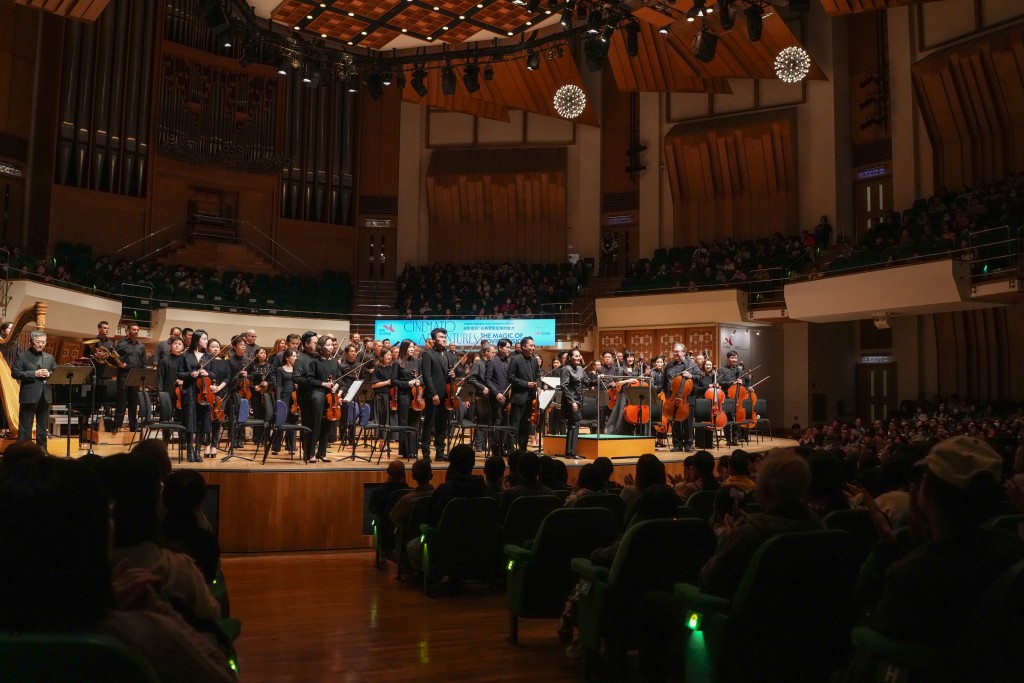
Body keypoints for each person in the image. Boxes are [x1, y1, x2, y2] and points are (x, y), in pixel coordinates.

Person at [0, 457, 234, 682]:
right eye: (107, 514)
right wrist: (157, 607)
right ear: (93, 534)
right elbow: (222, 675)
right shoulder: (141, 632)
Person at [699, 448, 825, 599]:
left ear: (764, 489)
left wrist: (727, 540)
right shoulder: (820, 527)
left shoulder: (751, 533)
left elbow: (708, 581)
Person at [161, 469, 220, 584]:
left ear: (164, 498)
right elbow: (210, 579)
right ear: (201, 501)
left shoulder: (153, 537)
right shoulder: (207, 542)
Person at [12, 329, 57, 451]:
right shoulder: (22, 356)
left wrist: (50, 373)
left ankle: (42, 450)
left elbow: (56, 372)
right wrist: (34, 373)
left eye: (43, 342)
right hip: (29, 395)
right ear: (31, 341)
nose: (41, 344)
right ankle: (23, 451)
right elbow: (15, 373)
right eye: (38, 342)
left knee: (43, 426)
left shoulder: (50, 357)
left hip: (45, 395)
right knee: (26, 426)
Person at [419, 328, 458, 461]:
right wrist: (433, 393)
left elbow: (449, 374)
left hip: (446, 395)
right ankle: (425, 454)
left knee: (442, 424)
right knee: (429, 424)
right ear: (434, 339)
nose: (444, 339)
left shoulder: (449, 355)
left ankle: (440, 453)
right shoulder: (427, 354)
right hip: (433, 395)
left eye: (445, 337)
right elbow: (427, 376)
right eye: (441, 337)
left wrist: (454, 375)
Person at [663, 343, 701, 452]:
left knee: (687, 423)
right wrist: (668, 396)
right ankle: (677, 444)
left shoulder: (691, 364)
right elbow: (665, 381)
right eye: (674, 351)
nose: (675, 353)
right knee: (675, 421)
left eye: (677, 351)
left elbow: (700, 377)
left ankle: (688, 444)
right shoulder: (669, 365)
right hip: (673, 398)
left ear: (684, 352)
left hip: (687, 399)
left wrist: (691, 376)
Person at [507, 335, 540, 452]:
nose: (533, 348)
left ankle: (523, 449)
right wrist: (526, 384)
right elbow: (510, 377)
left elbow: (538, 376)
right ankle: (511, 450)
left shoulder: (534, 360)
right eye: (531, 345)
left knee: (525, 426)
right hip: (519, 397)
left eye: (534, 346)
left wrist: (538, 386)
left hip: (531, 398)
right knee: (514, 426)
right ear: (523, 346)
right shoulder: (515, 359)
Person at [560, 348, 593, 460]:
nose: (578, 358)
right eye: (576, 356)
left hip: (579, 401)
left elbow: (588, 382)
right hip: (572, 402)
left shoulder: (580, 368)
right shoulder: (566, 369)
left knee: (576, 425)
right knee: (573, 425)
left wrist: (598, 378)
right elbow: (564, 386)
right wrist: (572, 402)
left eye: (579, 356)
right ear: (570, 357)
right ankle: (570, 453)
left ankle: (572, 452)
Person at [392, 339, 423, 459]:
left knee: (415, 422)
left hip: (416, 396)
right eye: (410, 347)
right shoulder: (397, 362)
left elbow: (422, 377)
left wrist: (418, 381)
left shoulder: (417, 361)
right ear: (404, 348)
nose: (412, 349)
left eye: (413, 347)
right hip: (403, 395)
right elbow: (393, 381)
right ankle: (405, 451)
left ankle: (413, 450)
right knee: (404, 422)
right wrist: (407, 383)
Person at [114, 323, 147, 433]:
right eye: (134, 329)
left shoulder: (141, 346)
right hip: (123, 375)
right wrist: (118, 364)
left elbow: (143, 363)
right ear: (127, 331)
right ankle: (116, 426)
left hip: (135, 377)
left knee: (133, 403)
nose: (136, 331)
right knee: (121, 403)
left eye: (138, 329)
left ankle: (134, 426)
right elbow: (113, 358)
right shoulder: (121, 343)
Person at [484, 338, 512, 457]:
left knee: (506, 423)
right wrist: (496, 394)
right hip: (496, 397)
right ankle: (495, 449)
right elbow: (488, 380)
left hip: (508, 397)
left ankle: (503, 447)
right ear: (500, 348)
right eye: (507, 347)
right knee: (497, 422)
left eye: (510, 347)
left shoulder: (510, 361)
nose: (509, 350)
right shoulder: (492, 361)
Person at [269, 347, 299, 456]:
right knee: (281, 421)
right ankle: (276, 447)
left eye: (296, 356)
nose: (296, 358)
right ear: (287, 358)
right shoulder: (280, 370)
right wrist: (278, 399)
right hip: (284, 397)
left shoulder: (297, 369)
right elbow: (279, 386)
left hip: (295, 398)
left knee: (293, 421)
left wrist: (298, 385)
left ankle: (291, 446)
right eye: (294, 356)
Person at [390, 458, 435, 524]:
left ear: (413, 476)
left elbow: (392, 517)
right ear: (431, 476)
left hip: (411, 533)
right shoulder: (439, 497)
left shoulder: (407, 499)